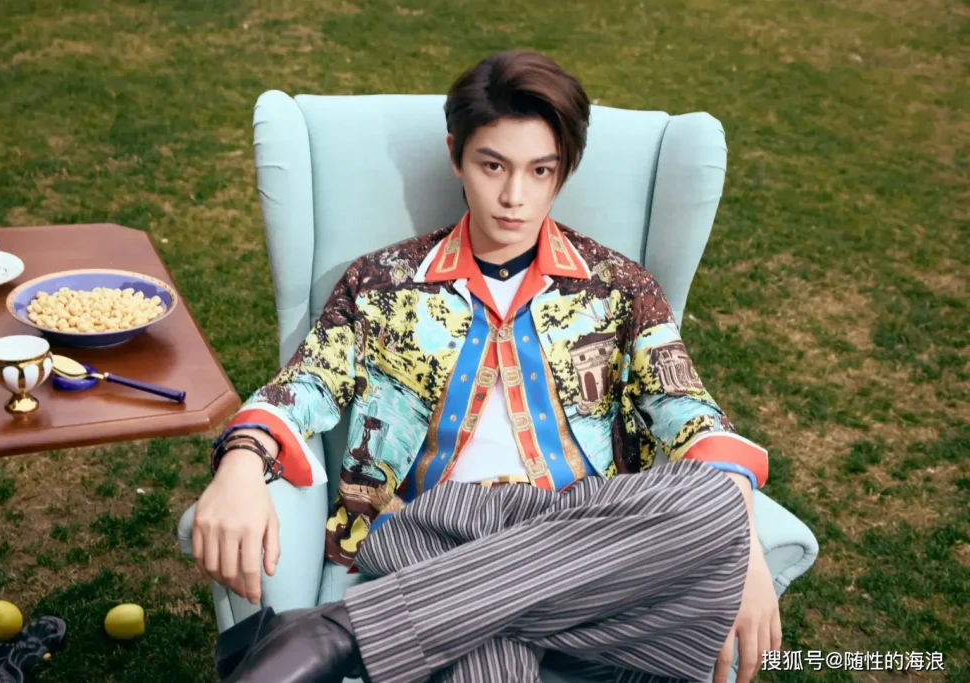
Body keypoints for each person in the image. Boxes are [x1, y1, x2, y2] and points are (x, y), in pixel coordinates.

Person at [192, 49, 781, 683]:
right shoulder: (381, 283)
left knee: (714, 501)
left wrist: (741, 547)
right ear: (456, 156)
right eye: (492, 165)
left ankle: (344, 629)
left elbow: (689, 412)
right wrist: (242, 458)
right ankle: (417, 616)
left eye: (540, 171)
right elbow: (307, 382)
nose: (513, 197)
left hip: (580, 528)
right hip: (432, 528)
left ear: (563, 171)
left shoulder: (619, 287)